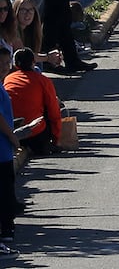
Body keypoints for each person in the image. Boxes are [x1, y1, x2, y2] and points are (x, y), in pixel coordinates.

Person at [4, 48, 62, 150]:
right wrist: (56, 139)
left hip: (12, 133)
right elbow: (54, 111)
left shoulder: (8, 79)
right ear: (33, 63)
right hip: (36, 134)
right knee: (55, 103)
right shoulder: (43, 80)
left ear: (15, 64)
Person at [0, 49, 22, 252]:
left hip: (4, 149)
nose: (5, 67)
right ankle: (5, 231)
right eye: (2, 63)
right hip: (1, 148)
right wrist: (12, 136)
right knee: (5, 193)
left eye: (8, 62)